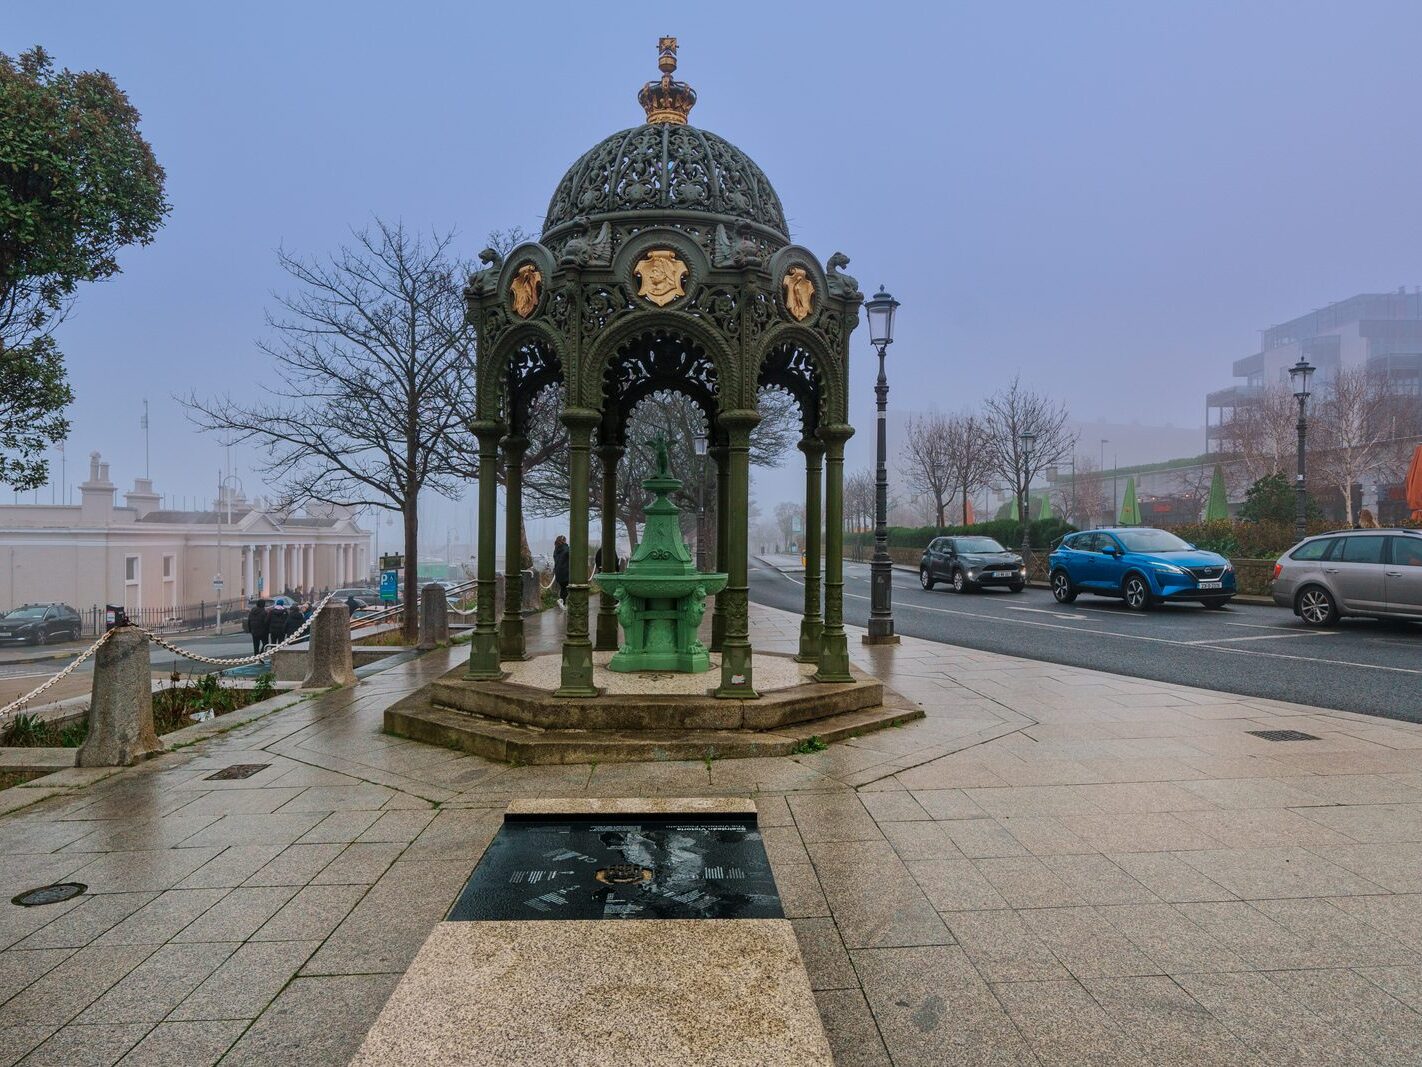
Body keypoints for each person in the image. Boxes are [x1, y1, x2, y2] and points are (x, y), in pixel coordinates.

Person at [553, 535, 570, 607]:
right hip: (566, 572)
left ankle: (562, 601)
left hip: (558, 573)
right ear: (564, 541)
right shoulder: (567, 549)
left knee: (563, 588)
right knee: (567, 588)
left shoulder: (555, 550)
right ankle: (563, 602)